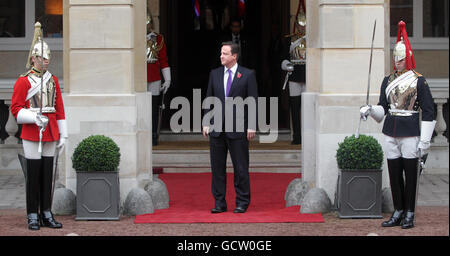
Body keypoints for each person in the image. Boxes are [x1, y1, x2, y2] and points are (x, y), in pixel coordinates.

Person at [360, 21, 435, 229]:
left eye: (401, 59)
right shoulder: (387, 80)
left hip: (410, 130)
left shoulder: (419, 80)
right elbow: (382, 109)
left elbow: (429, 111)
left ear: (407, 58)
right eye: (396, 58)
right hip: (391, 129)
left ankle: (410, 211)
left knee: (411, 174)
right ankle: (399, 210)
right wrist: (369, 110)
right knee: (394, 174)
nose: (398, 62)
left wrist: (426, 140)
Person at [10, 22, 66, 230]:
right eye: (42, 58)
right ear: (34, 58)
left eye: (48, 58)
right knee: (33, 174)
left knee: (47, 173)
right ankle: (32, 213)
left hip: (50, 129)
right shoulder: (23, 81)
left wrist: (64, 134)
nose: (46, 61)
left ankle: (46, 212)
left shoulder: (53, 80)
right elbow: (16, 109)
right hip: (33, 130)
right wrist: (33, 117)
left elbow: (59, 108)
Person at [203, 41, 258, 214]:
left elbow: (253, 102)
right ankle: (219, 203)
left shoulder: (247, 75)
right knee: (217, 169)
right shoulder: (215, 74)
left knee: (241, 168)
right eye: (221, 53)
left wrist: (251, 126)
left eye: (225, 53)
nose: (221, 56)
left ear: (234, 56)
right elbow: (209, 98)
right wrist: (206, 122)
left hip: (239, 129)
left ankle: (242, 202)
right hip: (217, 129)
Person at [146, 13, 171, 146]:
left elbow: (163, 60)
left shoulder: (158, 38)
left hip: (154, 77)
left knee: (154, 108)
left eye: (148, 23)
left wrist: (167, 79)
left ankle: (153, 134)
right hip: (139, 78)